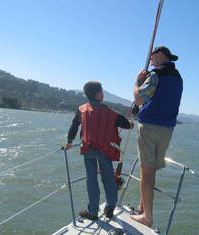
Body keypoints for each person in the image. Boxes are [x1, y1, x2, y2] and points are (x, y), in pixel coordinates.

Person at [130, 46, 183, 227]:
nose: (151, 61)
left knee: (147, 172)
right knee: (149, 170)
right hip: (167, 129)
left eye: (152, 58)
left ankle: (147, 216)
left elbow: (139, 99)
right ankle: (141, 206)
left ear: (159, 55)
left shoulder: (156, 75)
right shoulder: (178, 78)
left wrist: (137, 82)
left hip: (150, 127)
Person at [66, 81, 134, 220]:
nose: (103, 93)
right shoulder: (110, 112)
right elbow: (126, 124)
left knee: (91, 179)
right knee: (108, 178)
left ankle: (93, 212)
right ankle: (110, 208)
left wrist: (69, 141)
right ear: (98, 94)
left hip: (88, 149)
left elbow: (74, 126)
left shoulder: (81, 109)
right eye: (102, 91)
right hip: (105, 151)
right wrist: (131, 123)